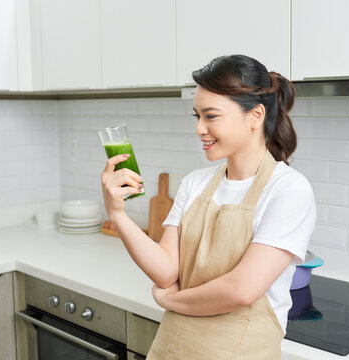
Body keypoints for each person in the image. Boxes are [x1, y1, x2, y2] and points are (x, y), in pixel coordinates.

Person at [101, 54, 316, 359]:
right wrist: (117, 214)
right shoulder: (195, 183)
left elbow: (242, 289)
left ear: (255, 116)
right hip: (173, 348)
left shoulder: (288, 190)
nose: (200, 128)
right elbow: (166, 271)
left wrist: (170, 301)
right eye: (196, 116)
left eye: (211, 116)